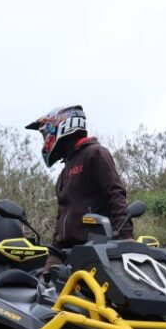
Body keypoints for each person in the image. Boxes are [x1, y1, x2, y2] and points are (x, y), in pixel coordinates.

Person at [25, 104, 132, 260]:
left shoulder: (95, 154)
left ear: (61, 126)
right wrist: (54, 255)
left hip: (97, 250)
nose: (45, 139)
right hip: (67, 252)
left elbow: (116, 194)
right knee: (41, 283)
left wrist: (126, 236)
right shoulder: (64, 173)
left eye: (45, 133)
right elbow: (62, 215)